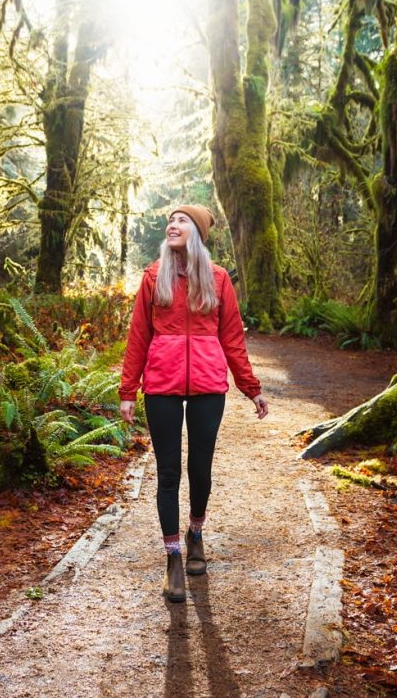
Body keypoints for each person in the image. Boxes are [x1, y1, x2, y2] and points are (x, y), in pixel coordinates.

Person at [119, 204, 269, 603]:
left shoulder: (218, 279)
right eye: (171, 219)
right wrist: (127, 391)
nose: (173, 224)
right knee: (168, 473)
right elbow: (138, 337)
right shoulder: (153, 277)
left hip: (207, 386)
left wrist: (251, 387)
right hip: (162, 387)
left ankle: (196, 533)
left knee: (200, 470)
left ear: (198, 232)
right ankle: (172, 559)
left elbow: (233, 339)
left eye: (182, 220)